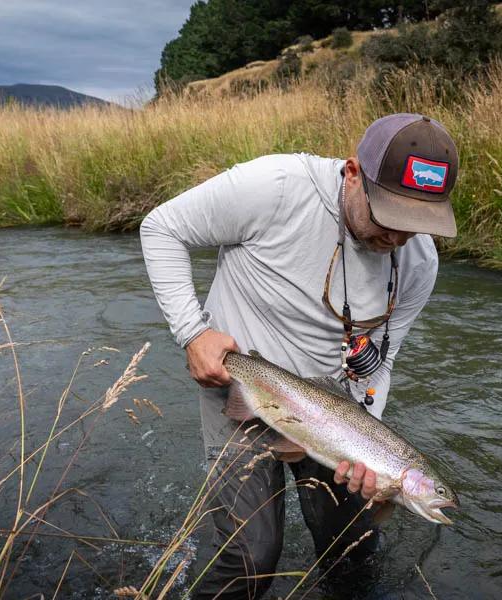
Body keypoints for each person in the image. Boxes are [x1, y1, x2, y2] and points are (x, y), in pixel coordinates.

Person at [140, 113, 459, 599]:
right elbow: (161, 227)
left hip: (335, 413)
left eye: (417, 224)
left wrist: (367, 443)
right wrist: (192, 332)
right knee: (250, 559)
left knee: (352, 548)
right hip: (240, 386)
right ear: (353, 173)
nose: (398, 237)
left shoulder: (420, 264)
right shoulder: (276, 187)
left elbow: (381, 359)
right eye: (390, 215)